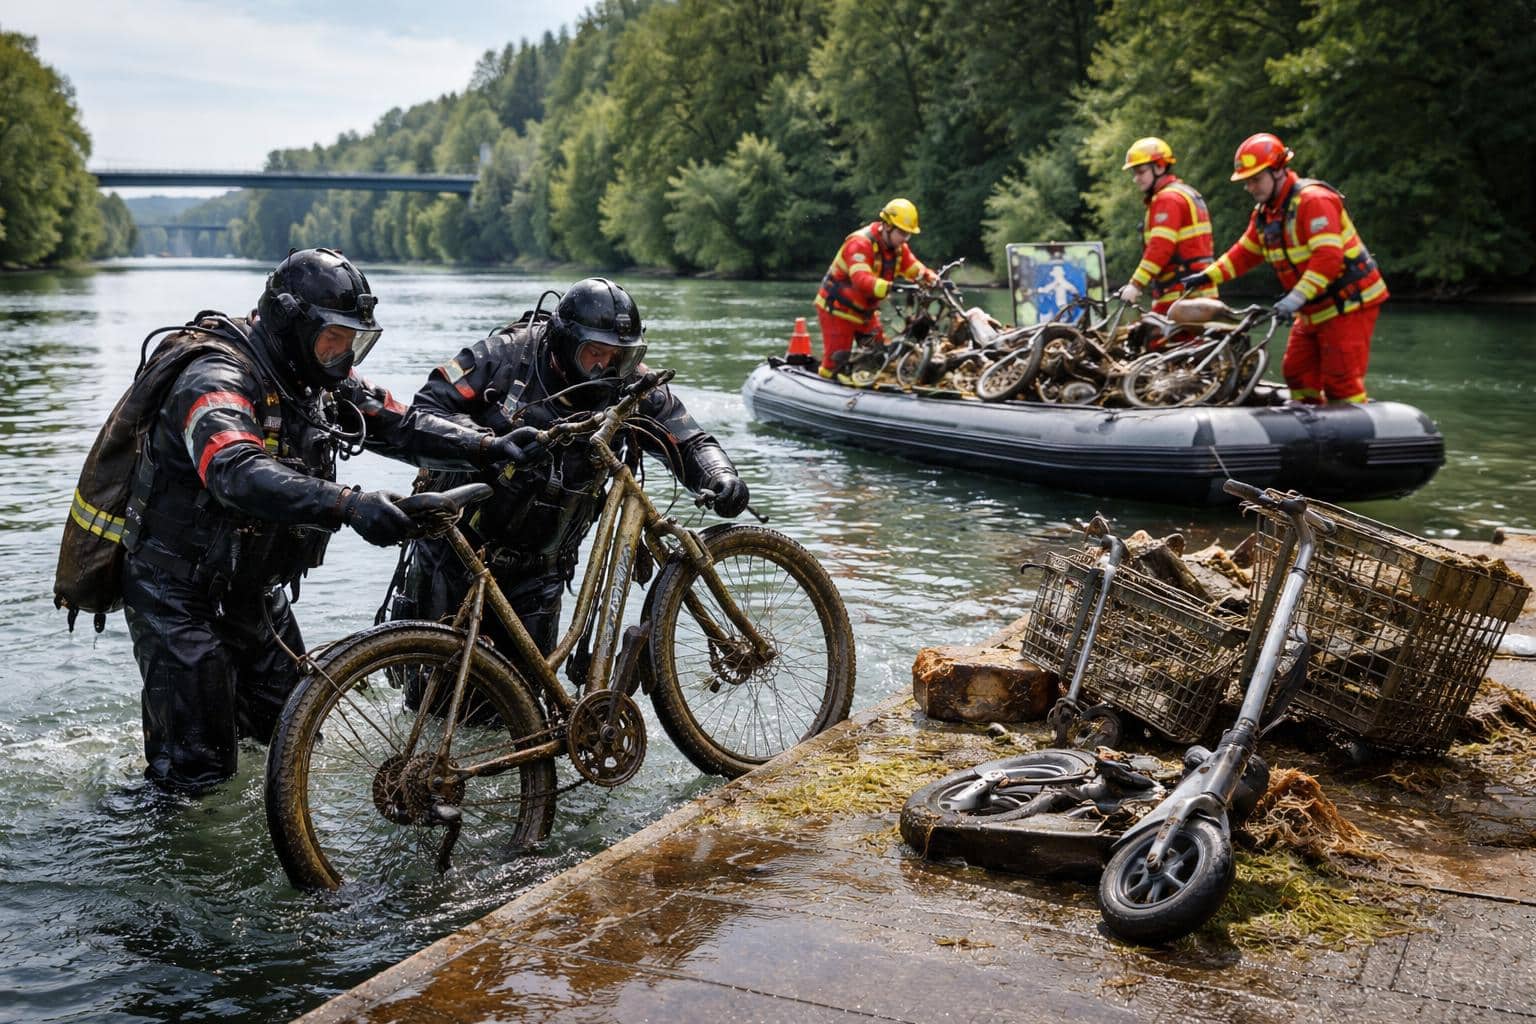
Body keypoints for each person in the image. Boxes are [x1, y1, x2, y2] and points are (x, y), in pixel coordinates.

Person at [120, 247, 523, 794]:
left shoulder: (315, 380)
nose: (343, 356)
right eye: (335, 338)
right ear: (292, 324)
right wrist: (351, 505)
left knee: (292, 741)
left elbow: (399, 425)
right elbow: (236, 470)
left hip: (251, 592)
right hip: (177, 593)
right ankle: (160, 851)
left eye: (354, 342)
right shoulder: (214, 376)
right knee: (198, 775)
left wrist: (486, 445)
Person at [396, 277, 749, 664]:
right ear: (565, 343)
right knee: (430, 699)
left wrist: (720, 476)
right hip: (453, 556)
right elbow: (423, 413)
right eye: (594, 353)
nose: (605, 367)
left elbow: (686, 436)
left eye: (618, 356)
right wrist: (488, 444)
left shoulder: (628, 383)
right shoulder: (502, 356)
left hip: (540, 573)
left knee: (523, 711)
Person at [1181, 132, 1388, 404]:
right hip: (1312, 307)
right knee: (1297, 373)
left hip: (1347, 304)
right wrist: (1209, 275)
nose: (1250, 187)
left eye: (1256, 179)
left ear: (1278, 171)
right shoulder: (1266, 214)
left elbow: (1328, 258)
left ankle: (1352, 431)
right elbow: (1245, 253)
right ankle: (1310, 425)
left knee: (1341, 378)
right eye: (1247, 182)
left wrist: (1295, 298)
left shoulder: (1313, 201)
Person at [814, 197, 939, 384]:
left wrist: (932, 278)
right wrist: (891, 287)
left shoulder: (898, 249)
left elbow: (914, 269)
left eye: (908, 234)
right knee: (836, 361)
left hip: (864, 314)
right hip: (838, 311)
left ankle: (862, 382)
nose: (905, 239)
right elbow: (861, 280)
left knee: (878, 356)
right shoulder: (859, 244)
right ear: (887, 226)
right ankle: (827, 384)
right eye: (902, 233)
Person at [1114, 137, 1219, 313]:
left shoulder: (1167, 199)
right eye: (1134, 173)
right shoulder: (1187, 193)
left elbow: (1160, 248)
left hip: (1179, 295)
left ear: (1160, 167)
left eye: (1140, 171)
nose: (1136, 179)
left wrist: (1136, 284)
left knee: (1151, 339)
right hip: (1199, 293)